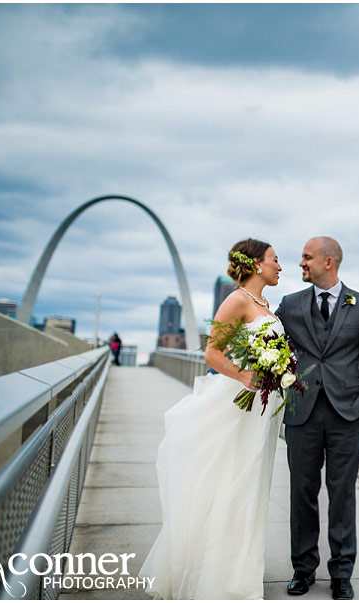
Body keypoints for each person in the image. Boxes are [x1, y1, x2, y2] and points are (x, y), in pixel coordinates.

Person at [139, 238, 284, 599]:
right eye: (275, 260)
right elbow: (212, 352)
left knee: (251, 486)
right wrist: (243, 374)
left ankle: (240, 571)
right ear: (255, 264)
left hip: (262, 410)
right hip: (238, 405)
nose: (279, 267)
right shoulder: (236, 300)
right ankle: (219, 578)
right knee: (231, 484)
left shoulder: (265, 304)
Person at [276, 236, 359, 600]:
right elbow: (272, 348)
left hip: (348, 415)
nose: (301, 264)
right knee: (301, 494)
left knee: (342, 495)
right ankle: (303, 570)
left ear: (329, 262)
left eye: (306, 258)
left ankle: (341, 573)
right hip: (302, 413)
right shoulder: (289, 305)